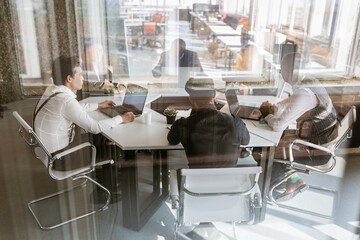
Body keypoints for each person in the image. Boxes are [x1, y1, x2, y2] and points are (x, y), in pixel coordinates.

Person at [34, 56, 135, 171]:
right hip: (59, 159)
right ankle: (109, 185)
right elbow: (95, 127)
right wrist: (121, 118)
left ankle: (101, 173)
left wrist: (98, 105)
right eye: (80, 74)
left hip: (49, 152)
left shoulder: (53, 90)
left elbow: (73, 109)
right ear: (69, 79)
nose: (82, 78)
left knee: (98, 139)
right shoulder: (66, 101)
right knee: (115, 150)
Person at [259, 61, 338, 201]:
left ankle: (272, 190)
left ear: (287, 72)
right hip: (320, 144)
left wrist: (267, 115)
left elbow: (278, 125)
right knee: (277, 142)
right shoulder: (310, 83)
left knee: (267, 148)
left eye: (281, 69)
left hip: (316, 152)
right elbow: (290, 104)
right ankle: (293, 180)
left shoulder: (305, 94)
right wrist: (274, 108)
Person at [167, 78, 250, 168]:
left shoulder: (183, 125)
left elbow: (172, 140)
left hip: (197, 181)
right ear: (214, 94)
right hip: (229, 181)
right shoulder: (235, 123)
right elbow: (246, 141)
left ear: (190, 99)